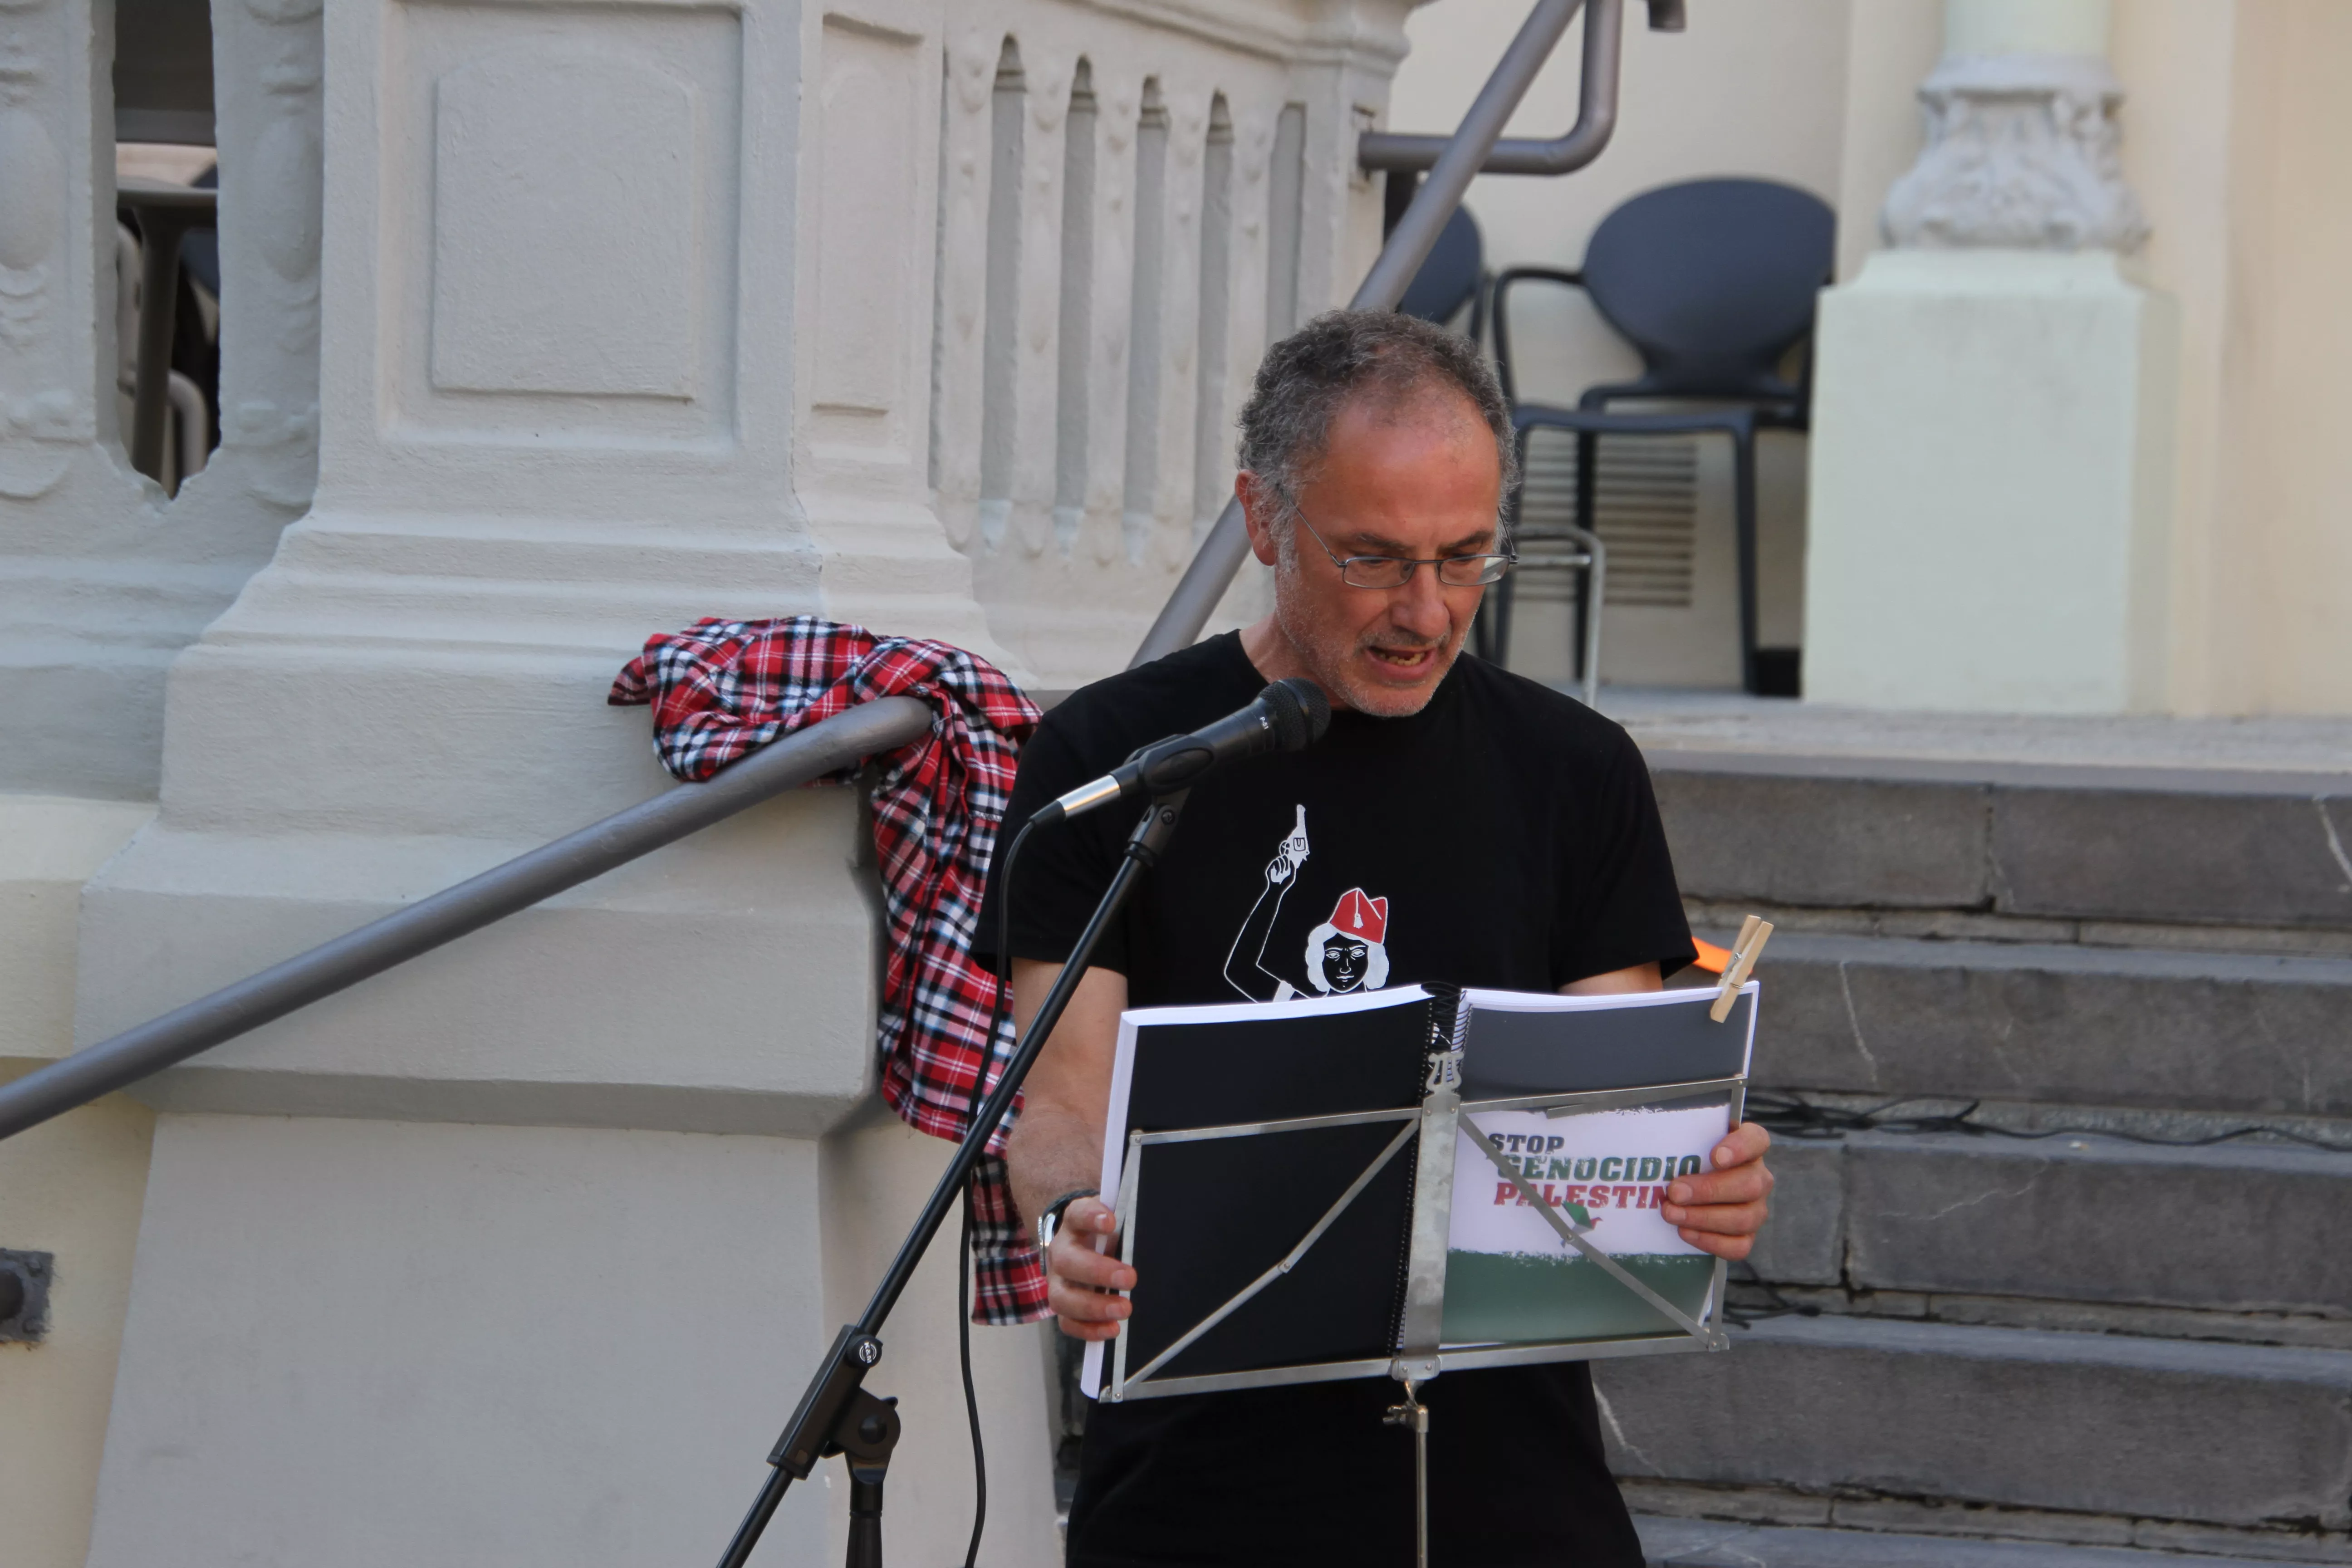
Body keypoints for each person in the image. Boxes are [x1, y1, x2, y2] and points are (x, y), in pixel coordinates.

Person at [979, 309, 1773, 1568]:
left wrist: (1700, 1183)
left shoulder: (1575, 770)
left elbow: (1620, 1108)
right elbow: (1064, 1102)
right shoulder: (1116, 758)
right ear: (1262, 518)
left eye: (1466, 558)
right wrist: (1075, 1214)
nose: (1428, 611)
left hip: (1508, 1476)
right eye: (1375, 560)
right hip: (1203, 1479)